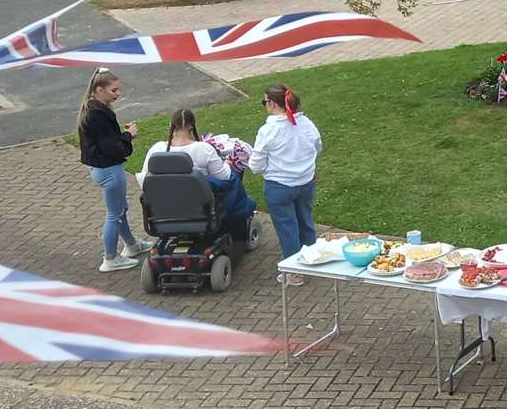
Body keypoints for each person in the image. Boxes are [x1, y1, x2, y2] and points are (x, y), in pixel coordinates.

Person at [139, 108, 258, 246]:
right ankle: (239, 213)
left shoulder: (156, 150)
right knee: (232, 178)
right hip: (199, 211)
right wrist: (227, 163)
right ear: (191, 127)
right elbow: (224, 177)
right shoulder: (203, 149)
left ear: (171, 126)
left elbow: (144, 182)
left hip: (164, 213)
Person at [76, 68, 150, 272]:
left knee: (120, 210)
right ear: (99, 89)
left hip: (103, 169)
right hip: (109, 170)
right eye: (114, 90)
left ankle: (132, 246)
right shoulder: (97, 114)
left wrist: (121, 135)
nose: (117, 94)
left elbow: (104, 141)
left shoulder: (93, 109)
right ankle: (110, 258)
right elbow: (110, 147)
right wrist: (128, 136)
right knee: (114, 214)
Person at [249, 84, 323, 266]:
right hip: (306, 183)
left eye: (264, 101)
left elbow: (256, 164)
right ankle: (312, 262)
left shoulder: (268, 130)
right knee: (306, 222)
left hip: (279, 186)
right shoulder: (306, 123)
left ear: (273, 104)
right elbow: (317, 147)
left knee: (287, 228)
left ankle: (294, 272)